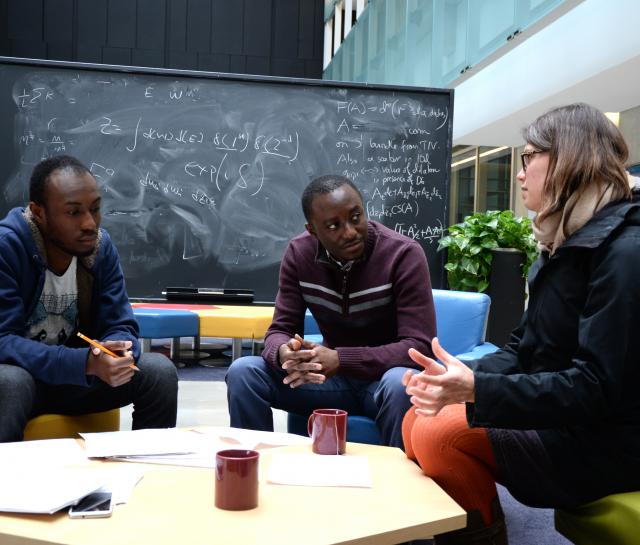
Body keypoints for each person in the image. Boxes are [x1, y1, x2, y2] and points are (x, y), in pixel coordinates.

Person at [402, 103, 640, 545]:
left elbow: (596, 388)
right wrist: (462, 377)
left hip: (611, 442)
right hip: (570, 422)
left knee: (441, 433)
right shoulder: (567, 240)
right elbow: (522, 347)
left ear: (568, 159)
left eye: (529, 157)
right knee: (418, 415)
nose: (519, 172)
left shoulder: (624, 252)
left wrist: (477, 391)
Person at [226, 174, 435, 448]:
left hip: (383, 384)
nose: (349, 232)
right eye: (333, 225)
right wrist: (284, 353)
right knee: (244, 372)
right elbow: (280, 329)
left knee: (401, 384)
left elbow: (418, 347)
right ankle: (255, 470)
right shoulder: (299, 254)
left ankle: (401, 485)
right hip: (328, 382)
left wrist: (341, 359)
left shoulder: (403, 254)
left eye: (356, 217)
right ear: (313, 230)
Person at [0, 155, 178, 442]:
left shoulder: (100, 249)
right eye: (73, 212)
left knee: (158, 372)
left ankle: (148, 478)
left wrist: (116, 351)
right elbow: (3, 341)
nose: (89, 224)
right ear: (38, 212)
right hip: (25, 378)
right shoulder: (7, 248)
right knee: (8, 382)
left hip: (75, 379)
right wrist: (83, 362)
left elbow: (121, 324)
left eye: (95, 209)